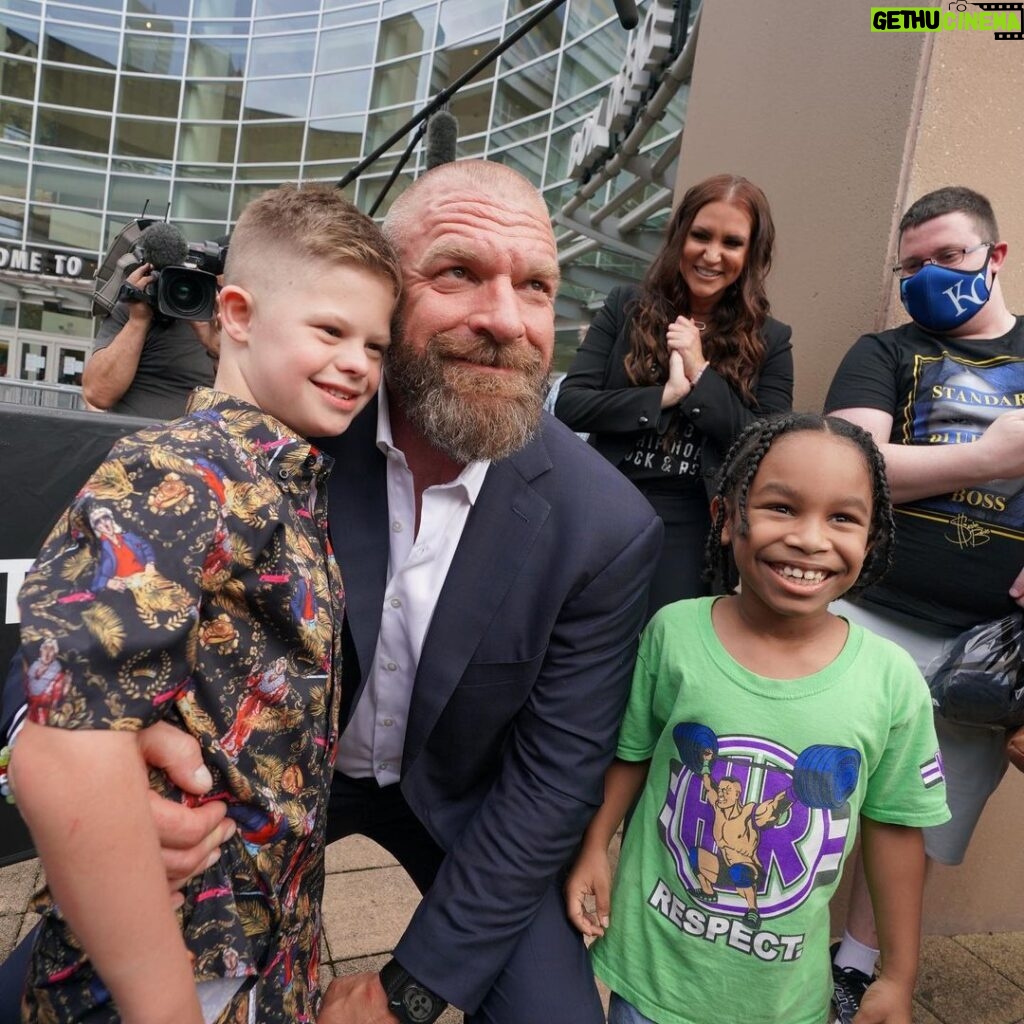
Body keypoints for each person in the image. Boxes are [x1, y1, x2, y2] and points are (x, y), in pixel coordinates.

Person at [1, 160, 663, 1024]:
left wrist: (408, 994)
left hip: (457, 803)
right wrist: (77, 752)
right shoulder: (287, 425)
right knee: (46, 982)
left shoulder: (604, 526)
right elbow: (80, 619)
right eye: (459, 272)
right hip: (266, 785)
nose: (505, 319)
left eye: (536, 285)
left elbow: (550, 784)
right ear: (389, 292)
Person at [8, 183, 400, 1024]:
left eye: (376, 343)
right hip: (178, 953)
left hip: (263, 944)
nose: (360, 363)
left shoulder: (289, 480)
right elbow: (61, 749)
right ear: (236, 313)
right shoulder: (184, 470)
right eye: (331, 330)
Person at [564, 413, 950, 1024]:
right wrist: (593, 847)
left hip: (782, 1001)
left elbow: (897, 828)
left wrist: (898, 974)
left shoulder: (891, 681)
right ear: (724, 520)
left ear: (872, 541)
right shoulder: (674, 634)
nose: (810, 539)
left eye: (843, 518)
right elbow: (632, 756)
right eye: (782, 507)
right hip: (651, 974)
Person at [824, 185, 1024, 1022]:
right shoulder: (885, 351)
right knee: (816, 796)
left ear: (996, 256)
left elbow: (889, 466)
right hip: (867, 614)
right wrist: (992, 456)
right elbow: (850, 465)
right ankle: (774, 942)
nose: (927, 277)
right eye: (912, 266)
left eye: (946, 256)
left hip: (988, 650)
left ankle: (856, 969)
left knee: (918, 821)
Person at [554, 173, 793, 619]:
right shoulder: (625, 307)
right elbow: (571, 404)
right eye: (700, 235)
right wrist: (664, 397)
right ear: (679, 235)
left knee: (663, 647)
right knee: (586, 636)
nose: (712, 254)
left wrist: (701, 376)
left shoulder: (771, 340)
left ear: (751, 253)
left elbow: (768, 443)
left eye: (732, 242)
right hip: (608, 503)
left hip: (694, 521)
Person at [81, 261, 221, 420]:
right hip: (133, 439)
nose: (182, 292)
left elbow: (243, 408)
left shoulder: (219, 320)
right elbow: (97, 393)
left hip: (198, 441)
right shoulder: (136, 307)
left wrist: (217, 350)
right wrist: (138, 320)